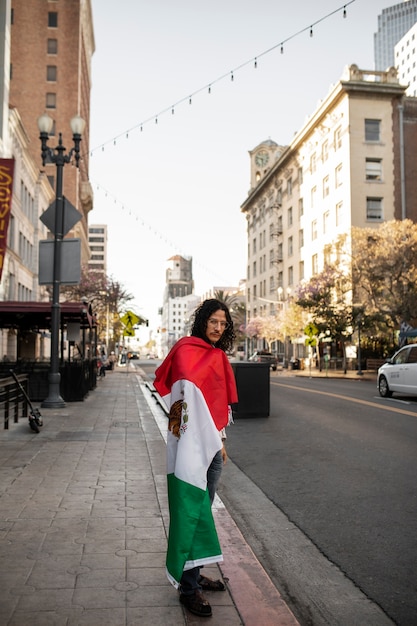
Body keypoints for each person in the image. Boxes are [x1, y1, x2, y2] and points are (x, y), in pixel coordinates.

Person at [154, 299, 238, 618]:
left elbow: (217, 408)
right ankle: (188, 589)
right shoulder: (186, 350)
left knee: (202, 509)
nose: (218, 327)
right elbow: (178, 399)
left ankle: (194, 572)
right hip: (189, 445)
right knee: (193, 509)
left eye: (223, 323)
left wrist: (221, 443)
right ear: (202, 321)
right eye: (213, 321)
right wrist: (184, 440)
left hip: (212, 447)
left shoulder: (218, 356)